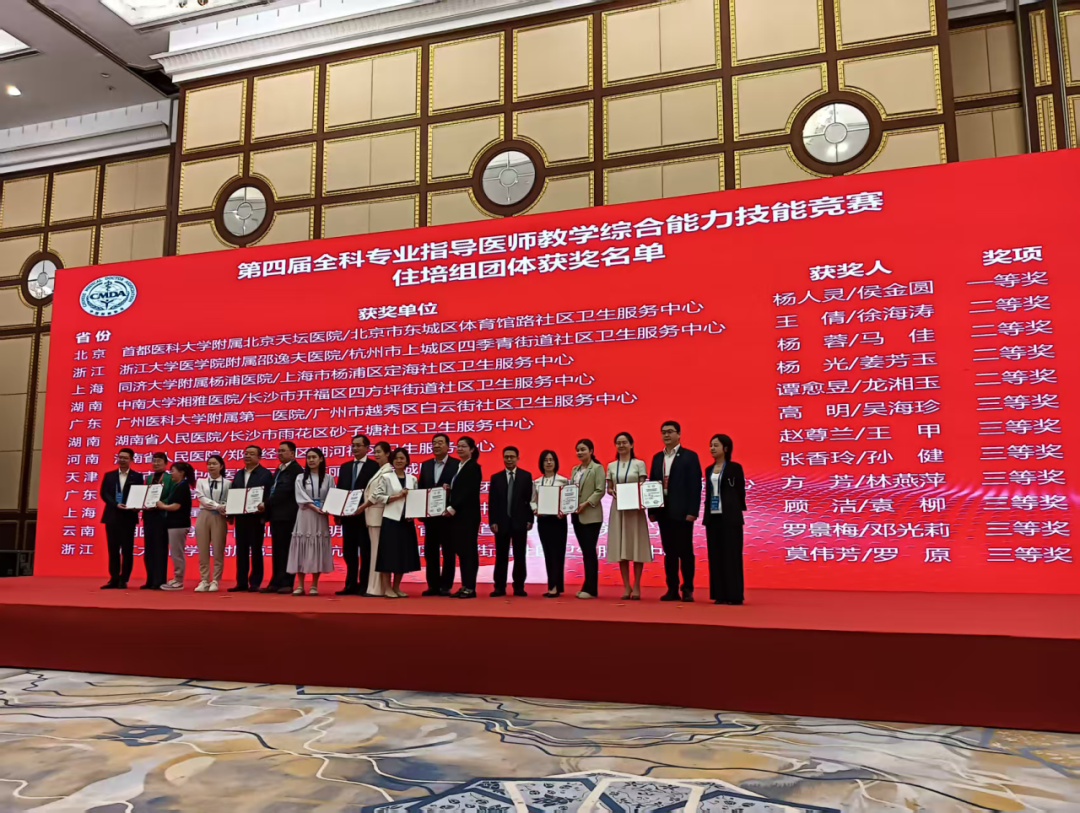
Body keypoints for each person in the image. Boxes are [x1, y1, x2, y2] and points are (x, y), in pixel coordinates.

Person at [648, 420, 702, 602]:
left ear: (679, 434)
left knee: (685, 551)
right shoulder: (657, 458)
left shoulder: (689, 456)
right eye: (663, 432)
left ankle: (687, 589)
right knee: (669, 552)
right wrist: (652, 510)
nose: (666, 435)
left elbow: (695, 486)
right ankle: (672, 588)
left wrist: (693, 510)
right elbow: (652, 485)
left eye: (670, 431)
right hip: (663, 511)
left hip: (683, 511)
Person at [606, 432, 651, 600]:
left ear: (631, 444)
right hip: (618, 509)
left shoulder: (639, 464)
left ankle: (637, 584)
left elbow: (643, 485)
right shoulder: (611, 466)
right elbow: (609, 488)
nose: (621, 445)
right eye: (618, 443)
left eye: (624, 442)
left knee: (636, 544)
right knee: (621, 547)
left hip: (635, 508)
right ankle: (626, 586)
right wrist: (612, 491)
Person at [703, 434, 748, 605]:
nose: (712, 448)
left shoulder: (734, 468)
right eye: (711, 445)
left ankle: (734, 595)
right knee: (715, 555)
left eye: (716, 445)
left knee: (731, 555)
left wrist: (733, 506)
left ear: (726, 448)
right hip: (712, 517)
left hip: (730, 517)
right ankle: (719, 594)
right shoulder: (708, 469)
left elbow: (740, 491)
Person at [374, 447, 422, 598]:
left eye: (402, 458)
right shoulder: (386, 477)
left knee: (403, 555)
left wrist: (413, 513)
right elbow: (378, 496)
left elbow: (416, 498)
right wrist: (397, 496)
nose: (399, 461)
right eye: (396, 458)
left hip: (406, 521)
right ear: (392, 461)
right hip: (391, 520)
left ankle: (396, 587)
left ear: (407, 461)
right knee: (388, 555)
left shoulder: (412, 478)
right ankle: (387, 588)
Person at [335, 434, 380, 596]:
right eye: (353, 445)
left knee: (366, 551)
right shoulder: (345, 467)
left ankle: (365, 584)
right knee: (349, 552)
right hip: (347, 516)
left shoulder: (374, 467)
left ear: (367, 448)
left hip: (365, 515)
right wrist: (337, 512)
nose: (355, 448)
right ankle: (350, 584)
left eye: (358, 445)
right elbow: (340, 490)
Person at [488, 446, 534, 597]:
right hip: (501, 523)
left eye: (512, 457)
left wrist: (530, 519)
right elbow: (492, 502)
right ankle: (499, 587)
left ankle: (519, 587)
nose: (509, 459)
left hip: (520, 522)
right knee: (501, 556)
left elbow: (530, 500)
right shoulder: (496, 478)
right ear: (503, 458)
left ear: (517, 458)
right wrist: (492, 521)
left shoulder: (525, 476)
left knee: (519, 555)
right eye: (506, 457)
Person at [288, 447, 335, 595]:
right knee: (301, 546)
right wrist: (314, 507)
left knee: (317, 547)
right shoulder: (300, 477)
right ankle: (300, 585)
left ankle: (314, 585)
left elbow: (332, 496)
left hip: (321, 516)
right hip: (305, 513)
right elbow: (300, 496)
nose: (311, 460)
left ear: (321, 459)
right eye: (308, 457)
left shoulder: (328, 478)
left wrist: (328, 508)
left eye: (314, 457)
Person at [417, 433, 459, 595]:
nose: (436, 445)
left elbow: (461, 489)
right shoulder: (426, 465)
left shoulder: (456, 464)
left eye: (440, 442)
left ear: (448, 446)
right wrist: (420, 510)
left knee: (448, 551)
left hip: (448, 516)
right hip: (431, 517)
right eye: (434, 442)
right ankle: (433, 585)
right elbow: (421, 488)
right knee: (430, 552)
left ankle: (446, 586)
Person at [230, 445, 273, 592]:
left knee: (255, 550)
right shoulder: (238, 474)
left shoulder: (265, 474)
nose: (247, 456)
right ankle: (241, 582)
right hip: (241, 517)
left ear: (259, 457)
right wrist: (231, 513)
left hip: (256, 517)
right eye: (246, 453)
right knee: (241, 550)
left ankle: (255, 582)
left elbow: (269, 495)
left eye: (251, 454)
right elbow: (234, 494)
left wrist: (265, 509)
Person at [99, 447, 144, 589]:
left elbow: (139, 494)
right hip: (112, 515)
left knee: (127, 549)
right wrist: (115, 504)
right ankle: (113, 578)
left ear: (131, 460)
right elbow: (104, 493)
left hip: (128, 516)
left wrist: (136, 506)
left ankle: (124, 579)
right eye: (120, 457)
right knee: (113, 549)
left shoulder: (137, 476)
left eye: (125, 458)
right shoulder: (109, 475)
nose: (122, 460)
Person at [263, 440, 304, 594]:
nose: (279, 453)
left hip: (288, 516)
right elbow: (273, 490)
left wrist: (266, 503)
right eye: (278, 451)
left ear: (292, 454)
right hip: (277, 515)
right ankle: (276, 581)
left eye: (283, 451)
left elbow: (284, 491)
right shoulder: (280, 469)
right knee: (278, 550)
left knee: (287, 550)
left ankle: (287, 582)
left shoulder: (296, 470)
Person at [356, 441, 394, 597]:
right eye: (375, 452)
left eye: (379, 452)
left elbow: (377, 495)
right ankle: (375, 587)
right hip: (373, 517)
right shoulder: (381, 470)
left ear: (387, 453)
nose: (376, 455)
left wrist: (362, 507)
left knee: (378, 553)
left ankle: (377, 588)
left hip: (378, 516)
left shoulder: (387, 471)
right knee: (375, 553)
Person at [569, 439, 605, 599]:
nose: (580, 452)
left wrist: (585, 504)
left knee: (589, 551)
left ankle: (591, 589)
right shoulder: (575, 469)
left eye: (583, 449)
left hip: (591, 515)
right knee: (585, 551)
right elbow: (571, 491)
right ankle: (587, 585)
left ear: (591, 451)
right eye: (578, 450)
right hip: (576, 515)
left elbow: (600, 490)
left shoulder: (597, 468)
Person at [446, 436, 481, 599]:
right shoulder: (460, 466)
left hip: (468, 516)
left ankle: (470, 587)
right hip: (460, 516)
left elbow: (468, 492)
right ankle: (465, 585)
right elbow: (459, 489)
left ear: (472, 449)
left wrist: (452, 507)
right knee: (462, 551)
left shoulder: (473, 466)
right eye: (458, 446)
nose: (459, 449)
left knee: (468, 551)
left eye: (463, 446)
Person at [530, 450, 568, 597]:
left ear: (556, 462)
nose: (549, 462)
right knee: (548, 553)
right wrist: (535, 509)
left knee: (558, 553)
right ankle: (552, 585)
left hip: (558, 520)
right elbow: (533, 501)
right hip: (543, 520)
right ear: (541, 463)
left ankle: (556, 586)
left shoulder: (563, 481)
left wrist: (564, 511)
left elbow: (568, 501)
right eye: (546, 460)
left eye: (551, 460)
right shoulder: (536, 482)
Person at [194, 455, 230, 592]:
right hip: (204, 514)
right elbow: (201, 498)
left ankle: (215, 580)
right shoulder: (201, 481)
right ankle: (204, 580)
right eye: (209, 463)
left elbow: (229, 499)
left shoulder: (228, 483)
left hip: (219, 516)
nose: (211, 466)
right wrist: (217, 506)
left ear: (221, 466)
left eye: (214, 463)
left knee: (218, 549)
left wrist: (224, 507)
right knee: (202, 549)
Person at [158, 462, 196, 591]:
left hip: (179, 524)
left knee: (177, 553)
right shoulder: (178, 485)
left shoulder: (183, 486)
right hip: (174, 524)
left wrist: (162, 506)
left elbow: (176, 506)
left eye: (173, 471)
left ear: (181, 473)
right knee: (175, 552)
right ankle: (176, 578)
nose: (171, 474)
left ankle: (179, 580)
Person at [140, 451, 174, 590]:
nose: (156, 463)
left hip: (162, 516)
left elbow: (172, 496)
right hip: (149, 516)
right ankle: (149, 580)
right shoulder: (148, 478)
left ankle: (159, 580)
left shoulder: (170, 478)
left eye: (159, 461)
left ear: (166, 463)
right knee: (149, 549)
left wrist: (161, 503)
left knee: (160, 548)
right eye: (154, 461)